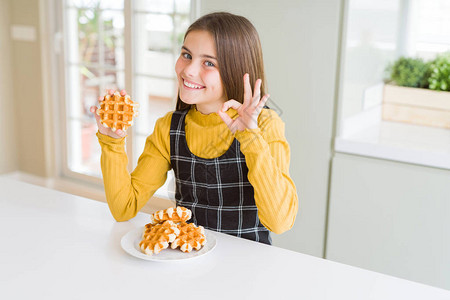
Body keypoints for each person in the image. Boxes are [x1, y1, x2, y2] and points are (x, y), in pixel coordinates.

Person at [90, 12, 298, 245]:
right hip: (188, 263)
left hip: (247, 268)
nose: (188, 70)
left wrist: (250, 137)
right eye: (186, 55)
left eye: (208, 62)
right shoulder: (169, 127)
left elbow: (280, 222)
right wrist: (111, 142)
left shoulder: (265, 125)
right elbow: (124, 208)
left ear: (236, 70)